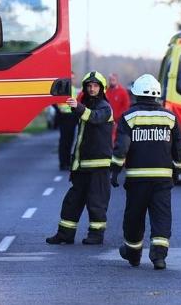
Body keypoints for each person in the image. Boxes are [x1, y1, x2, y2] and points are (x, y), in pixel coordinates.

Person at [110, 74, 181, 270]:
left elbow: (121, 148)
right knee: (161, 217)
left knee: (134, 217)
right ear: (157, 94)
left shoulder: (128, 117)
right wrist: (176, 171)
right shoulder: (171, 117)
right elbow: (179, 149)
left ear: (135, 94)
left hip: (137, 179)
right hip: (162, 179)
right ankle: (158, 256)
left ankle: (133, 254)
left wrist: (115, 170)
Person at [46, 71, 114, 245]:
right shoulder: (86, 104)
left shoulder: (105, 107)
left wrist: (78, 107)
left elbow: (94, 118)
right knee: (72, 201)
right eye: (89, 86)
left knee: (96, 202)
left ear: (102, 88)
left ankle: (96, 235)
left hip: (99, 166)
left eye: (95, 86)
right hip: (83, 165)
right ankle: (65, 234)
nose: (92, 89)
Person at [55, 71, 79, 171]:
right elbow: (55, 102)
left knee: (70, 140)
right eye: (71, 78)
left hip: (72, 117)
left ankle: (67, 162)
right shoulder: (62, 88)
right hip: (64, 116)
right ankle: (62, 162)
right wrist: (59, 111)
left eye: (73, 78)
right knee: (64, 140)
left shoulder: (73, 89)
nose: (72, 80)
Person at [106, 73, 132, 142]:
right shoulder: (106, 91)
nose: (112, 81)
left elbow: (126, 107)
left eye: (113, 79)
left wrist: (118, 119)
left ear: (117, 80)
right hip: (107, 121)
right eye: (110, 80)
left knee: (116, 139)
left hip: (118, 122)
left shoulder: (123, 92)